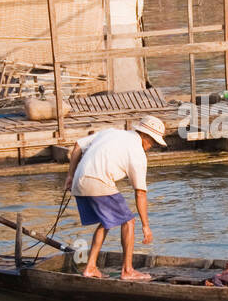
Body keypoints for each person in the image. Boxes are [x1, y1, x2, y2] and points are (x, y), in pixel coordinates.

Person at [64, 115, 165, 280]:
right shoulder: (138, 154)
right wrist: (146, 226)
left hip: (79, 181)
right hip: (98, 181)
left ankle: (90, 267)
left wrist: (70, 176)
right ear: (146, 136)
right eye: (152, 142)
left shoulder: (111, 132)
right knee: (129, 221)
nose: (151, 146)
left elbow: (78, 146)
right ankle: (128, 270)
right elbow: (140, 193)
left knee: (106, 222)